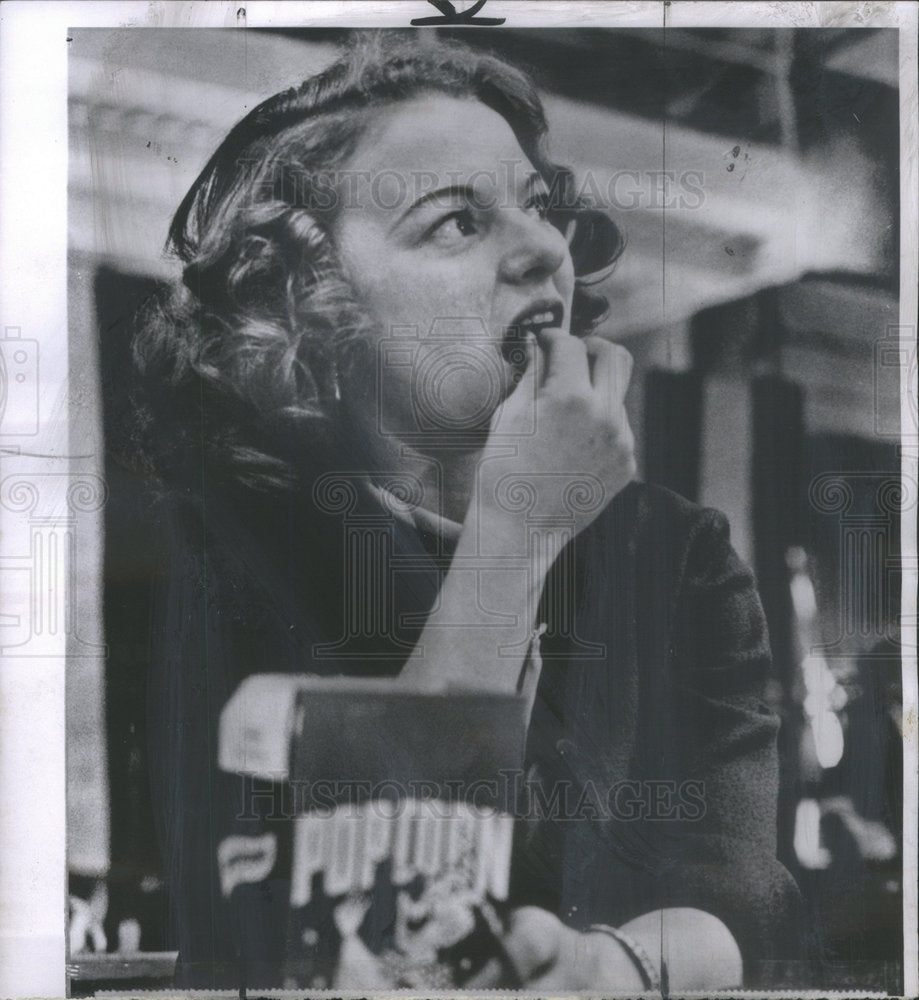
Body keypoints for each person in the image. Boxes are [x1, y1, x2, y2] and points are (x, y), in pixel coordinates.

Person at [132, 31, 802, 990]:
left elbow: (746, 887)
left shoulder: (678, 552)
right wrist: (517, 530)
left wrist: (605, 971)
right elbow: (360, 921)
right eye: (456, 222)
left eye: (535, 206)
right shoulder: (224, 545)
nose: (544, 249)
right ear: (309, 304)